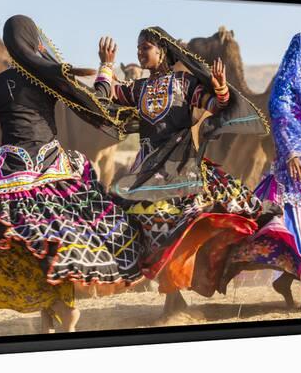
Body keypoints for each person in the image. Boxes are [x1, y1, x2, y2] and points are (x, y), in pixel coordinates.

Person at [0, 15, 143, 331]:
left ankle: (48, 319)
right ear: (35, 43)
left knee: (28, 244)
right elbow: (98, 102)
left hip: (8, 181)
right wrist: (106, 65)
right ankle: (64, 319)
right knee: (60, 242)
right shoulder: (52, 80)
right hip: (54, 175)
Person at [92, 27, 269, 315]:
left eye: (145, 47)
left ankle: (174, 298)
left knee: (178, 228)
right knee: (145, 231)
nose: (139, 51)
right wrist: (106, 64)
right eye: (137, 47)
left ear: (162, 51)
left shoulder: (184, 83)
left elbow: (216, 104)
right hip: (147, 174)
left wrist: (221, 86)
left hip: (182, 170)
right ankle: (172, 298)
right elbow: (103, 95)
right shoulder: (137, 89)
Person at [226, 33, 301, 308]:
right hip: (297, 177)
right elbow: (280, 118)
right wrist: (291, 153)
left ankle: (288, 280)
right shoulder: (285, 89)